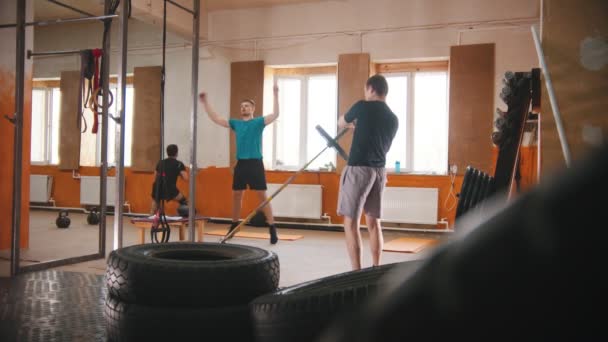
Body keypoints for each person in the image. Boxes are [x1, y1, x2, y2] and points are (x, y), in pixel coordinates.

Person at [199, 85, 280, 244]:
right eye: (242, 106)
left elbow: (276, 114)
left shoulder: (258, 122)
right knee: (237, 195)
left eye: (247, 106)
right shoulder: (236, 123)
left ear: (252, 109)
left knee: (262, 196)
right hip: (241, 164)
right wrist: (205, 103)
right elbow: (216, 119)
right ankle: (234, 225)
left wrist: (275, 94)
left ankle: (272, 227)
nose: (244, 108)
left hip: (256, 163)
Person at [337, 74, 399, 270]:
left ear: (371, 89)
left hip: (359, 170)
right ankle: (376, 268)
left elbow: (341, 122)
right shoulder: (393, 118)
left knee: (350, 221)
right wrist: (359, 127)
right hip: (379, 172)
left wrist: (349, 124)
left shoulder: (362, 106)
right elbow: (377, 138)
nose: (365, 93)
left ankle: (356, 272)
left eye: (366, 90)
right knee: (373, 222)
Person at [150, 144, 189, 215]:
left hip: (157, 187)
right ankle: (182, 219)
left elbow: (155, 176)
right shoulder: (179, 164)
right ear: (177, 153)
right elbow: (186, 178)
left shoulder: (160, 162)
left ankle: (151, 219)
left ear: (167, 152)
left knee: (155, 204)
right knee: (183, 201)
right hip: (170, 188)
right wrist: (179, 173)